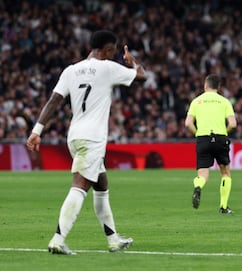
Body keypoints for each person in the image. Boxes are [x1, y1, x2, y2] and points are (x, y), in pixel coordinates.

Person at [26, 30, 146, 254]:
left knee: (101, 185)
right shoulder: (108, 68)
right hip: (92, 138)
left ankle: (113, 239)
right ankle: (58, 239)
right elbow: (142, 76)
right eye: (113, 51)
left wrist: (37, 130)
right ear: (108, 49)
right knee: (80, 185)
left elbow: (54, 101)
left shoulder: (71, 70)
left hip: (75, 136)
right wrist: (132, 62)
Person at [185, 74, 237, 214]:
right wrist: (224, 132)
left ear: (205, 85)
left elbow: (188, 123)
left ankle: (198, 186)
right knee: (225, 173)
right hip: (220, 138)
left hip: (203, 138)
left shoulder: (196, 101)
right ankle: (223, 207)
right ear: (218, 87)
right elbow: (233, 124)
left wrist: (197, 133)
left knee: (203, 174)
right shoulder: (224, 101)